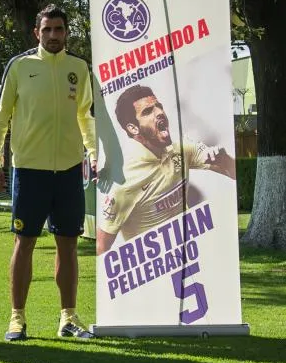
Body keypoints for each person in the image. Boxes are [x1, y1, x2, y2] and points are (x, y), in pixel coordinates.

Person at [0, 5, 96, 341]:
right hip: (29, 171)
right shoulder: (20, 66)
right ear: (37, 32)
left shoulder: (79, 68)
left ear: (67, 32)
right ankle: (17, 319)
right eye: (47, 29)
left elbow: (86, 116)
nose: (53, 35)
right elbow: (0, 117)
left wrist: (94, 154)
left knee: (68, 244)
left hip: (69, 171)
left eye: (58, 29)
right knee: (25, 242)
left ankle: (68, 318)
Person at [96, 84, 236, 254]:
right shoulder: (124, 180)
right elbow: (101, 247)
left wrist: (224, 159)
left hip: (189, 256)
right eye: (148, 111)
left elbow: (233, 172)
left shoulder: (181, 150)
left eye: (159, 106)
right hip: (154, 266)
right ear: (133, 128)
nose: (159, 112)